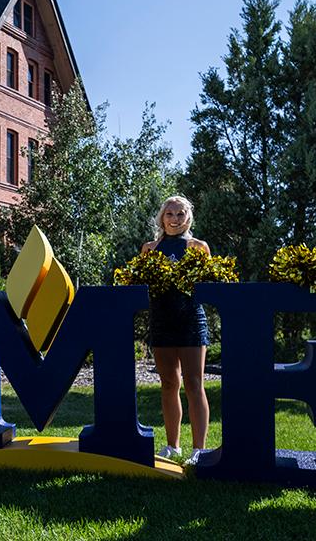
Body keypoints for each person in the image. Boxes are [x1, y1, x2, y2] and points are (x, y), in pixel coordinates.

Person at [140, 195, 211, 465]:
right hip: (161, 321)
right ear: (162, 217)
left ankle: (199, 450)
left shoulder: (199, 247)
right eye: (170, 214)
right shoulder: (149, 248)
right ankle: (173, 446)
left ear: (188, 217)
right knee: (169, 383)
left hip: (191, 320)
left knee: (194, 384)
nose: (175, 219)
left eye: (180, 214)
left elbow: (207, 284)